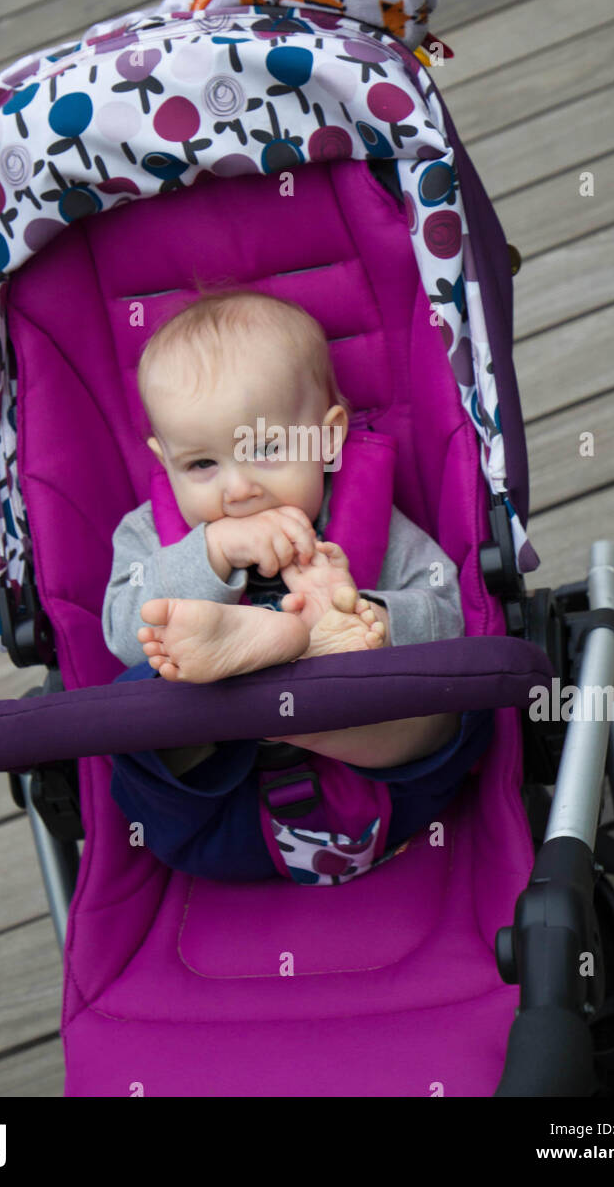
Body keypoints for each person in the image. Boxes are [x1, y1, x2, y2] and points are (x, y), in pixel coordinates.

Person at [102, 289, 494, 880]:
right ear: (164, 460)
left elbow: (448, 610)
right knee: (136, 702)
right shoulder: (149, 538)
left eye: (264, 449)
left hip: (392, 789)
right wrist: (209, 557)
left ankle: (306, 667)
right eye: (201, 465)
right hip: (215, 816)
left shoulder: (366, 525)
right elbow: (123, 635)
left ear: (328, 437)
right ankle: (258, 663)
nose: (237, 491)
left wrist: (368, 615)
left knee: (447, 705)